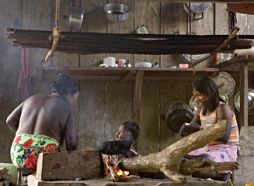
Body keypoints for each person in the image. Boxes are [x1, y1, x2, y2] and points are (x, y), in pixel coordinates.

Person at [6, 73, 79, 170]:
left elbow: (10, 121)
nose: (74, 102)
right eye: (75, 98)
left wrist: (25, 138)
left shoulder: (32, 98)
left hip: (18, 152)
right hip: (44, 157)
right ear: (71, 94)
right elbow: (71, 143)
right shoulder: (66, 106)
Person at [179, 75, 239, 182]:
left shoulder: (222, 109)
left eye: (199, 95)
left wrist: (198, 130)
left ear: (209, 93)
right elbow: (193, 129)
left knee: (203, 161)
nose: (196, 99)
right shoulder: (201, 110)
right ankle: (209, 170)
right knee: (181, 159)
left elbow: (224, 137)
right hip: (208, 150)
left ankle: (221, 174)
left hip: (225, 150)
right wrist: (186, 129)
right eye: (195, 96)